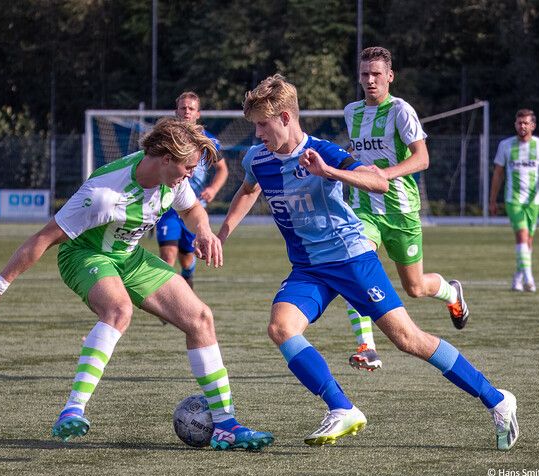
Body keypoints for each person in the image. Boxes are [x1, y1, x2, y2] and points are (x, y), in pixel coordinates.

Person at [217, 74, 519, 451]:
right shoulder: (257, 158)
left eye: (263, 124)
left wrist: (329, 173)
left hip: (352, 259)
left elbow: (379, 183)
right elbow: (247, 190)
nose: (258, 134)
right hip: (309, 268)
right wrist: (222, 233)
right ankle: (342, 408)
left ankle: (497, 399)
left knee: (409, 340)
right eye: (255, 126)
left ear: (285, 118)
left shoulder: (323, 151)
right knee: (281, 327)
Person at [0, 118, 273, 451]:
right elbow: (43, 239)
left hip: (129, 257)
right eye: (187, 167)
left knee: (201, 318)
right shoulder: (103, 194)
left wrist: (202, 230)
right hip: (85, 256)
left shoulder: (172, 180)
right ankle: (73, 408)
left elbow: (193, 211)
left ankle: (226, 425)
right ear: (166, 159)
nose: (191, 174)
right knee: (119, 310)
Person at [342, 47, 469, 371]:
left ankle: (451, 293)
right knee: (355, 267)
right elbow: (355, 153)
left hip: (401, 211)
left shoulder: (400, 110)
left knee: (415, 288)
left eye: (376, 74)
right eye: (365, 74)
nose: (370, 80)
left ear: (390, 77)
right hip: (364, 209)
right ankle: (367, 346)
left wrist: (385, 173)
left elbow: (422, 158)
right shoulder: (351, 111)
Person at [156, 92, 229, 288]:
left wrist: (213, 189)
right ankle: (166, 298)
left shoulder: (208, 141)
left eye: (191, 108)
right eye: (183, 108)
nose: (186, 111)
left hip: (194, 206)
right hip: (168, 204)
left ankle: (187, 274)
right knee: (167, 254)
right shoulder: (167, 137)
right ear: (176, 111)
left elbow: (222, 169)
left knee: (187, 257)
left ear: (198, 113)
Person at [489, 108, 539, 292]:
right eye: (519, 122)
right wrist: (492, 200)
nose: (522, 126)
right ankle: (529, 278)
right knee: (522, 236)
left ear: (533, 125)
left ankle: (517, 278)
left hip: (533, 201)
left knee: (528, 242)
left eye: (526, 123)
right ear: (515, 124)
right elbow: (498, 174)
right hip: (513, 199)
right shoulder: (505, 145)